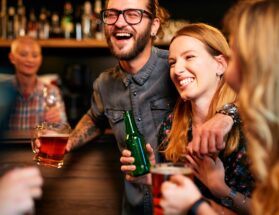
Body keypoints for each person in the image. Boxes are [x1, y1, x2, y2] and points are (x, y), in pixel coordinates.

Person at [160, 0, 279, 214]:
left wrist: (196, 206)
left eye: (236, 55)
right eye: (172, 62)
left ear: (267, 65)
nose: (229, 72)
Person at [65, 0, 235, 214]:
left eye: (132, 14)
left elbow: (241, 88)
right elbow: (95, 116)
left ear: (154, 26)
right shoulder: (104, 84)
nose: (119, 22)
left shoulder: (178, 69)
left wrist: (226, 115)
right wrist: (67, 142)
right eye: (112, 14)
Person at [120, 23, 254, 215]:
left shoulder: (248, 125)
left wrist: (221, 189)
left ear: (220, 64)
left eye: (189, 57)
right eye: (172, 63)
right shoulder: (170, 126)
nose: (178, 70)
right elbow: (177, 203)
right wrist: (152, 178)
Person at [2, 36, 67, 130]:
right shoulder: (3, 90)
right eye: (23, 54)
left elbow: (64, 130)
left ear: (40, 59)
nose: (30, 60)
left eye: (35, 55)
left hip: (39, 145)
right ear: (12, 57)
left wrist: (58, 122)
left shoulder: (52, 91)